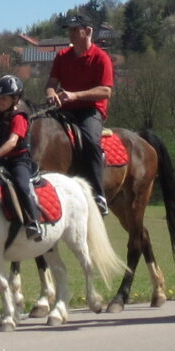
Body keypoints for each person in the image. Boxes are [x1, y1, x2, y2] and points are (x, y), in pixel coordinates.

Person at [45, 15, 113, 216]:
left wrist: (75, 95)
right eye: (69, 30)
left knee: (91, 140)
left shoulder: (101, 58)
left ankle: (98, 195)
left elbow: (106, 91)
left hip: (90, 110)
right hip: (64, 109)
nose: (71, 34)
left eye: (76, 30)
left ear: (88, 31)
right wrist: (51, 95)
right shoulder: (62, 56)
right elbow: (50, 84)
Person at [0, 75, 44, 242]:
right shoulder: (0, 118)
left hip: (19, 161)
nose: (0, 101)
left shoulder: (19, 117)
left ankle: (33, 222)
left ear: (15, 98)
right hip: (2, 161)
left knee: (22, 185)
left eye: (4, 98)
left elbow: (12, 142)